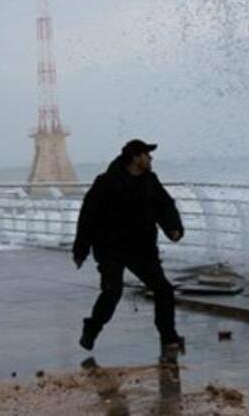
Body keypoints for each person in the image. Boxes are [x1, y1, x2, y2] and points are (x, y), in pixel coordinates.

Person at [72, 139, 185, 352]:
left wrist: (173, 228)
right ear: (135, 158)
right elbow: (88, 216)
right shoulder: (106, 182)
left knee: (164, 290)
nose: (151, 158)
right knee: (112, 292)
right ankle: (92, 328)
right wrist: (81, 249)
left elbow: (165, 206)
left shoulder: (150, 180)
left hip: (141, 250)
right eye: (146, 154)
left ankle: (168, 336)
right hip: (110, 249)